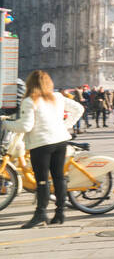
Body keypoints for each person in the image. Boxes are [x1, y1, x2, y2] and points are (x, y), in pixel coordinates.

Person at [2, 70, 85, 228]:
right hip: (60, 141)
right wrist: (65, 126)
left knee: (42, 181)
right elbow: (79, 109)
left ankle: (40, 214)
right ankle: (60, 213)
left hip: (41, 145)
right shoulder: (57, 97)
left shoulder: (30, 100)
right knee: (59, 177)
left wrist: (4, 123)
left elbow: (25, 126)